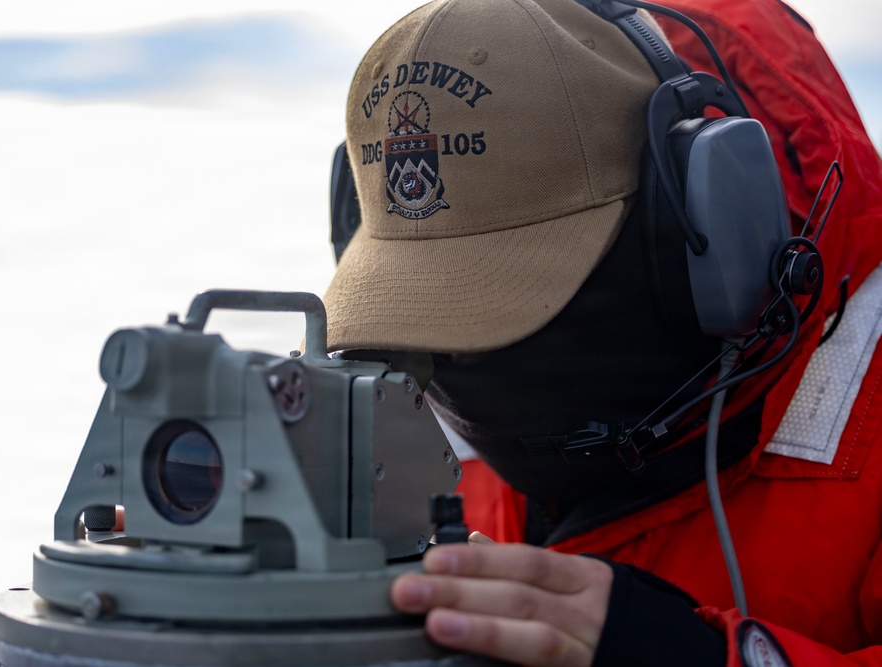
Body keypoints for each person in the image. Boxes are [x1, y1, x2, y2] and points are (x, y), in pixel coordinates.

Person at [321, 0, 882, 665]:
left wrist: (709, 657)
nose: (457, 357)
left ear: (706, 223)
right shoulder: (396, 415)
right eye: (421, 308)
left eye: (509, 304)